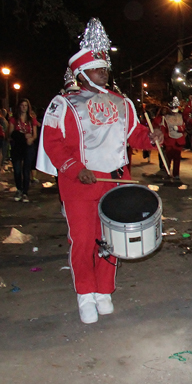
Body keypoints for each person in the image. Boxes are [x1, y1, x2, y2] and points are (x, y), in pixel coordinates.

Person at [37, 18, 163, 324]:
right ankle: (85, 293)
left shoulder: (123, 103)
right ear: (81, 72)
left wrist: (151, 137)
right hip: (80, 182)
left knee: (111, 239)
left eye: (105, 68)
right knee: (83, 240)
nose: (104, 73)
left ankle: (104, 289)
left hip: (115, 182)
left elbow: (133, 135)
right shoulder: (63, 104)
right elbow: (54, 144)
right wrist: (75, 169)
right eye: (97, 68)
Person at [9, 99, 39, 202]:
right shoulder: (14, 119)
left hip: (28, 146)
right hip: (17, 146)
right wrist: (22, 136)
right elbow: (11, 134)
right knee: (17, 169)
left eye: (26, 105)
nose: (24, 107)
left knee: (26, 169)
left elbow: (35, 134)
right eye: (22, 105)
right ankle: (19, 189)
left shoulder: (31, 119)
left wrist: (31, 138)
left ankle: (25, 191)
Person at [158, 97, 186, 180]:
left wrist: (179, 128)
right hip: (169, 140)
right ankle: (167, 172)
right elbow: (163, 129)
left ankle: (176, 174)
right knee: (168, 158)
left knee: (177, 158)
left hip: (179, 139)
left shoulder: (181, 116)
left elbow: (184, 126)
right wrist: (163, 139)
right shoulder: (165, 117)